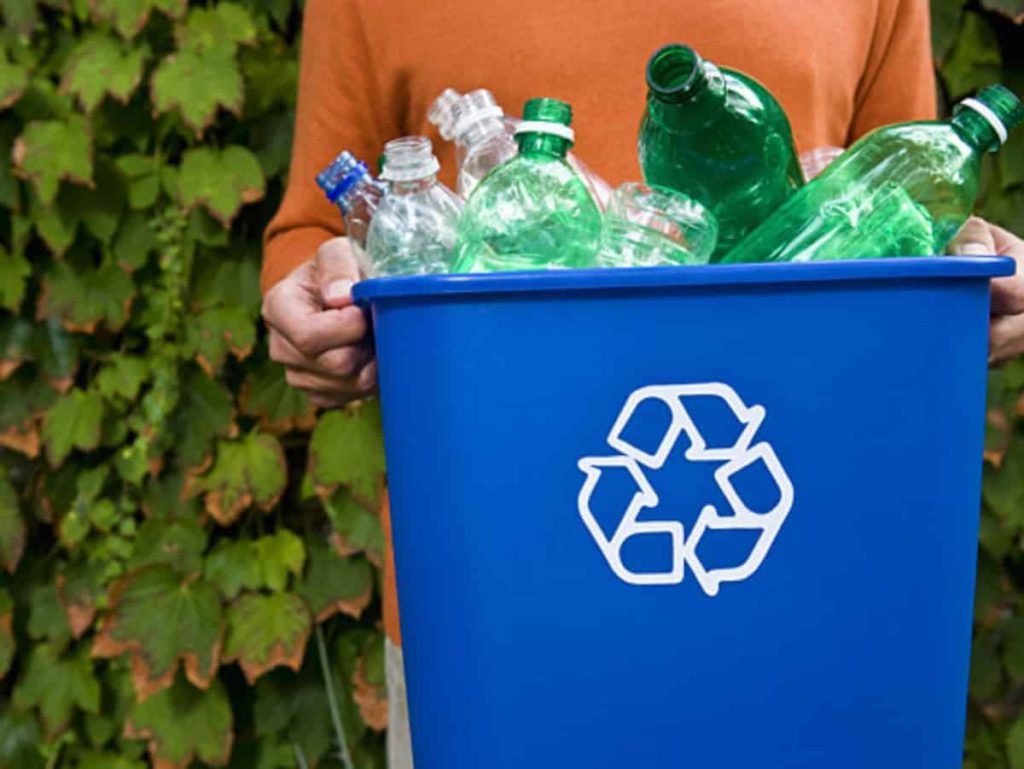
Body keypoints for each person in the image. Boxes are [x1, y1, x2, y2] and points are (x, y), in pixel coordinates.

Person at [261, 1, 1024, 765]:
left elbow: (900, 215)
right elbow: (323, 225)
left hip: (824, 621)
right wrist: (316, 302)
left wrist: (968, 277)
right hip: (500, 625)